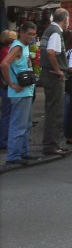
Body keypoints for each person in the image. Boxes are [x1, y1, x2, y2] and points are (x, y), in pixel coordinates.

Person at [0, 22, 38, 164]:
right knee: (18, 124)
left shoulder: (24, 46)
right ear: (21, 33)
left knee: (26, 124)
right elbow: (4, 64)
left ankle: (23, 152)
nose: (32, 37)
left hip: (26, 91)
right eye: (29, 34)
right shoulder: (18, 47)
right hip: (19, 93)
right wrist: (11, 83)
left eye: (34, 34)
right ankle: (13, 156)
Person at [39, 8, 70, 156]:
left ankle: (52, 144)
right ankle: (52, 145)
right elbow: (51, 52)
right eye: (68, 20)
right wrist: (58, 70)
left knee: (51, 110)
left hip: (47, 74)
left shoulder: (49, 30)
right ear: (65, 19)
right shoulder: (56, 32)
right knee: (55, 112)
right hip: (53, 76)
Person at [0, 29, 18, 150]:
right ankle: (4, 140)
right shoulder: (7, 51)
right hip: (7, 86)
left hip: (5, 85)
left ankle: (5, 139)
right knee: (8, 113)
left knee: (8, 113)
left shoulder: (4, 50)